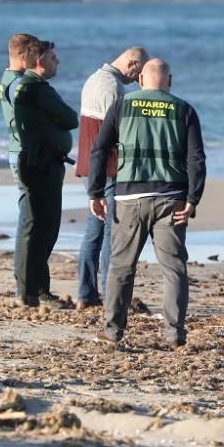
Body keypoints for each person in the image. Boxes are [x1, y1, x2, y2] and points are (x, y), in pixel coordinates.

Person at [88, 58, 206, 348]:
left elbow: (100, 148)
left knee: (121, 267)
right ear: (170, 80)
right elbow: (196, 159)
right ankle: (174, 332)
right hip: (171, 198)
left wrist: (95, 191)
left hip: (129, 197)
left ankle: (113, 330)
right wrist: (193, 198)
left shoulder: (123, 105)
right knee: (174, 268)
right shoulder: (184, 109)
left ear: (140, 79)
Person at [74, 46, 150, 310]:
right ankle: (110, 294)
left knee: (93, 232)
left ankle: (86, 293)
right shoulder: (113, 88)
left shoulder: (94, 79)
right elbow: (119, 132)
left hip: (89, 164)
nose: (138, 79)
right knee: (111, 232)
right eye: (139, 73)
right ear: (132, 64)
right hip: (108, 168)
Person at [14, 38, 78, 307]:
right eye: (53, 58)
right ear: (40, 63)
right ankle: (34, 291)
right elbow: (70, 118)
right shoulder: (38, 89)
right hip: (41, 164)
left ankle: (33, 289)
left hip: (39, 161)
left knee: (41, 227)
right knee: (42, 228)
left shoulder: (28, 88)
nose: (57, 62)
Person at [0, 33, 36, 300]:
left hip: (17, 152)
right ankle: (24, 287)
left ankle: (27, 285)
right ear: (22, 55)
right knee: (29, 220)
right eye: (34, 53)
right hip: (22, 153)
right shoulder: (19, 83)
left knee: (30, 218)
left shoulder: (9, 79)